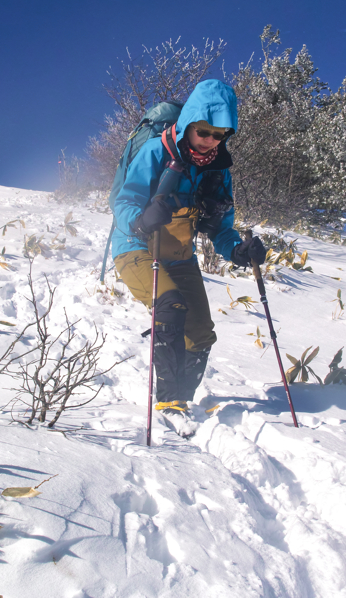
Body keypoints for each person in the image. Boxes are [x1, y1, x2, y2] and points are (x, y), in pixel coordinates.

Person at [111, 79, 267, 437]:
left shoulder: (217, 172)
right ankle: (168, 403)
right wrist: (139, 219)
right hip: (136, 248)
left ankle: (183, 397)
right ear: (189, 125)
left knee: (200, 336)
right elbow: (125, 199)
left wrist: (239, 251)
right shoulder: (155, 152)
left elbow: (221, 228)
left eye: (219, 135)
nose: (210, 140)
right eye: (203, 131)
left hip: (179, 255)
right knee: (171, 307)